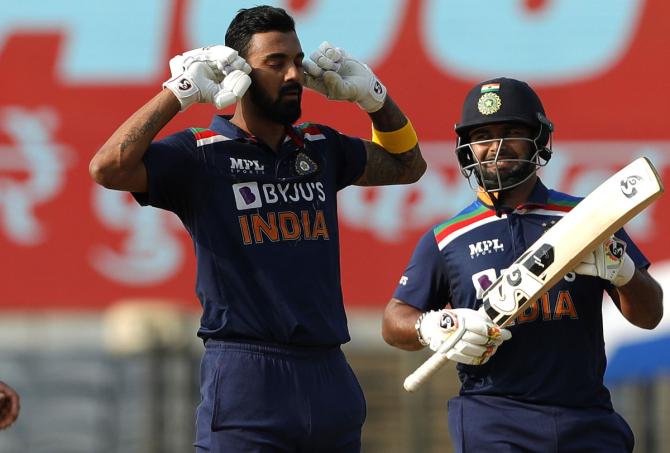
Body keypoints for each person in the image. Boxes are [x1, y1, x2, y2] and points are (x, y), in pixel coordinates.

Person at [89, 5, 425, 452]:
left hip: (329, 373)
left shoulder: (320, 146)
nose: (293, 76)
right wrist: (179, 93)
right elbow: (107, 168)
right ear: (241, 73)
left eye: (296, 61)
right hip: (247, 376)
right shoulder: (200, 154)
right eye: (275, 63)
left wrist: (376, 100)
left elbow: (409, 166)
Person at [381, 77, 663, 452]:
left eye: (512, 131)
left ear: (540, 140)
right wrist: (432, 325)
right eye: (483, 135)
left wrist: (623, 271)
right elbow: (393, 319)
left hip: (586, 416)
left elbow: (650, 314)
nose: (496, 147)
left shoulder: (588, 217)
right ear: (467, 148)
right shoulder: (447, 238)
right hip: (494, 417)